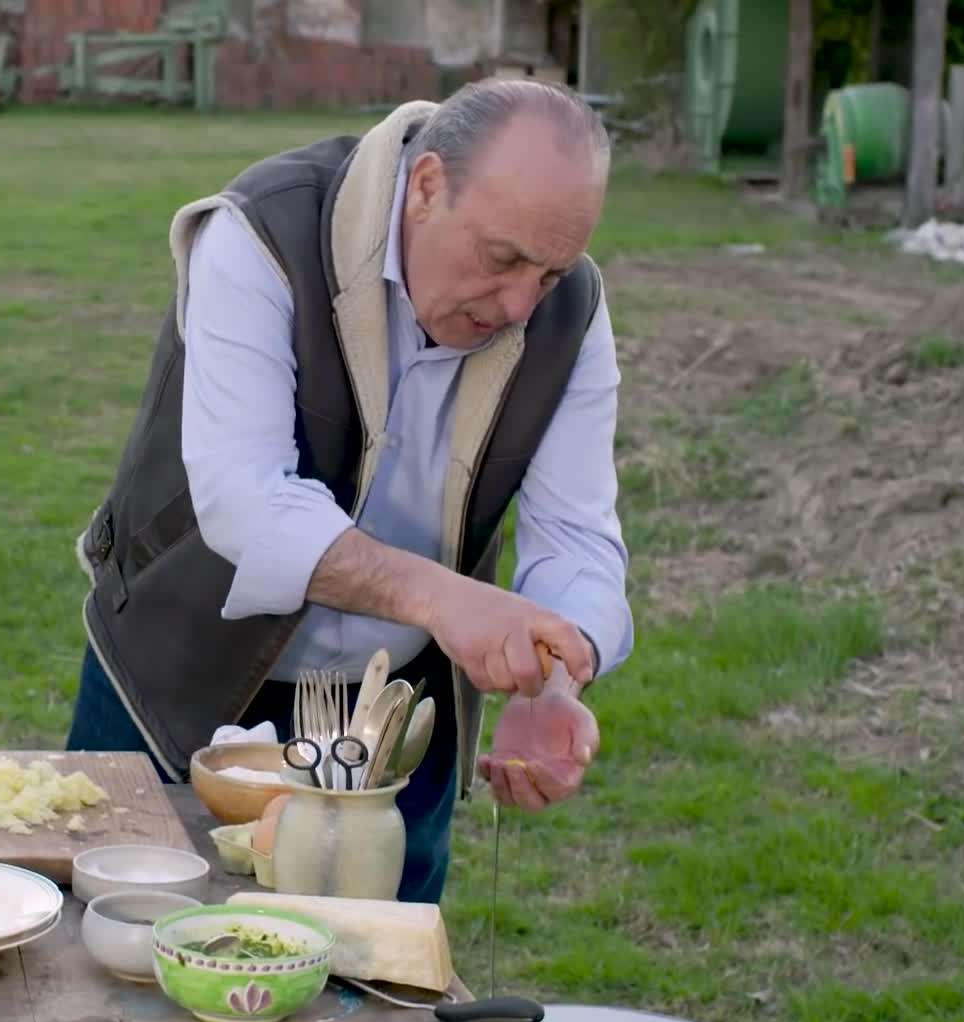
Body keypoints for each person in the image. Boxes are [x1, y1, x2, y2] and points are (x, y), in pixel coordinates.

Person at [65, 78, 634, 905]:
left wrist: (553, 679)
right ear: (428, 186)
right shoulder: (262, 229)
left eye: (548, 274)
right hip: (174, 680)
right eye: (503, 258)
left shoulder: (569, 312)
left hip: (389, 717)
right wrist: (445, 600)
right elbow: (245, 497)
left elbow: (579, 536)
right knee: (121, 957)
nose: (520, 304)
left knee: (373, 1001)